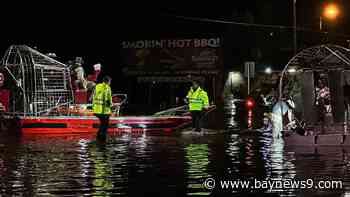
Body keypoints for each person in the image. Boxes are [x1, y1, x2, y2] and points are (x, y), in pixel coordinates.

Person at [92, 76, 113, 141]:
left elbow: (94, 95)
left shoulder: (97, 86)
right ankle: (102, 138)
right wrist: (111, 105)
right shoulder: (107, 87)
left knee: (102, 123)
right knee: (105, 125)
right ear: (108, 81)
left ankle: (98, 136)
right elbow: (108, 98)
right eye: (110, 82)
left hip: (96, 109)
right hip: (104, 110)